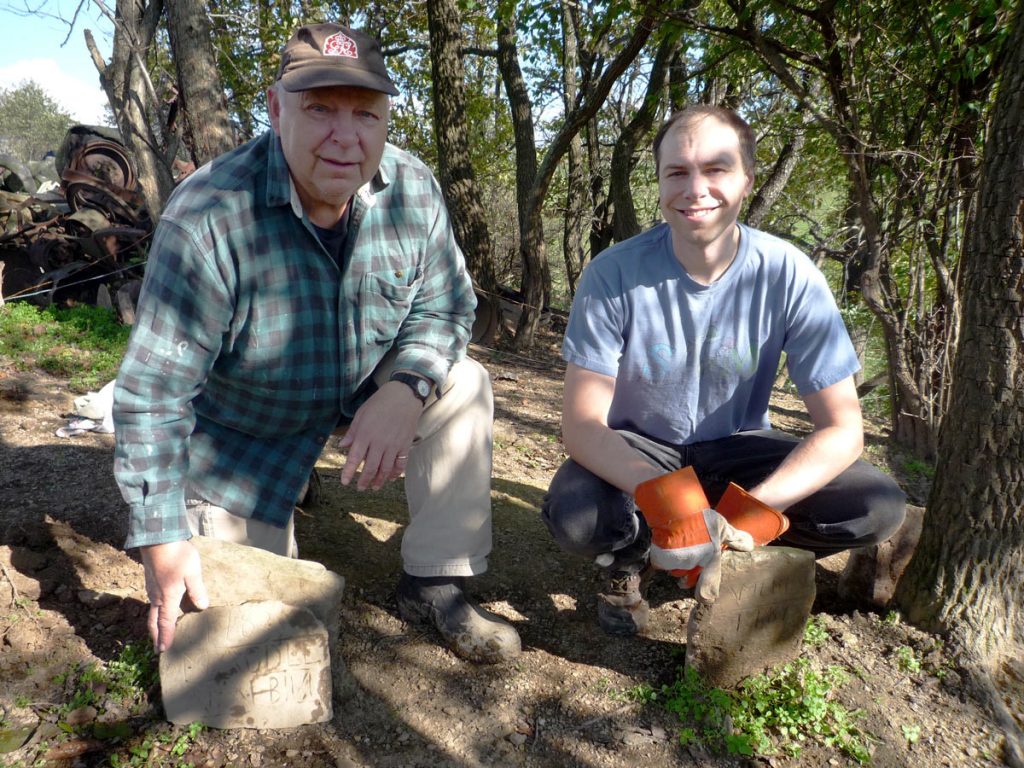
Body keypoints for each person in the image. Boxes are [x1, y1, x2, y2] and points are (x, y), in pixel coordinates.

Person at [112, 23, 520, 664]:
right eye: (319, 108)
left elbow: (447, 304)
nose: (345, 135)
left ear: (386, 117)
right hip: (240, 439)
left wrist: (409, 388)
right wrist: (160, 537)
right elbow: (153, 395)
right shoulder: (209, 217)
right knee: (247, 651)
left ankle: (434, 582)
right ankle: (269, 507)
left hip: (362, 384)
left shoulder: (412, 189)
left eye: (365, 113)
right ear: (276, 108)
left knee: (463, 383)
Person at [541, 105, 906, 636]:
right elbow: (581, 425)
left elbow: (843, 428)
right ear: (660, 181)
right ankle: (631, 558)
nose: (696, 189)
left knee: (876, 506)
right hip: (642, 447)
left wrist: (758, 509)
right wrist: (668, 500)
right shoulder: (612, 273)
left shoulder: (790, 275)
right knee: (577, 517)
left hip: (740, 448)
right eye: (677, 172)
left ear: (747, 181)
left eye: (716, 169)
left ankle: (734, 544)